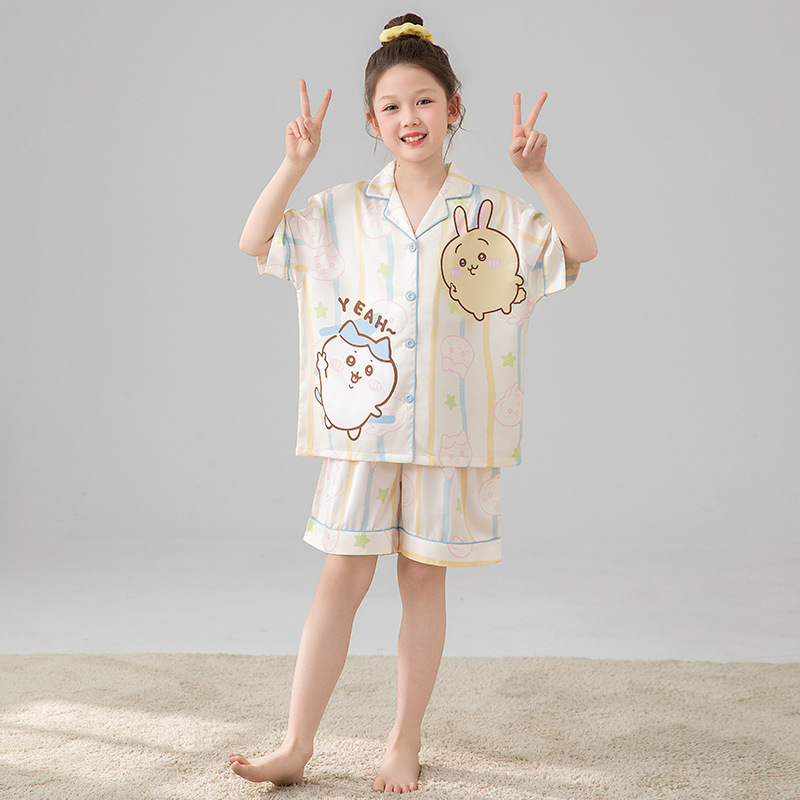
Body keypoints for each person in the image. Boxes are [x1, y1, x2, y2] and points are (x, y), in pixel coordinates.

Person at [232, 12, 597, 794]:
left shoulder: (493, 211)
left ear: (453, 107)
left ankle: (404, 740)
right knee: (339, 579)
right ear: (372, 121)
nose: (410, 118)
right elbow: (256, 241)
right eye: (392, 106)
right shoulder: (340, 209)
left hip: (450, 433)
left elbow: (577, 249)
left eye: (425, 101)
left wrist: (537, 173)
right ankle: (295, 744)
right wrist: (293, 165)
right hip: (363, 433)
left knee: (424, 582)